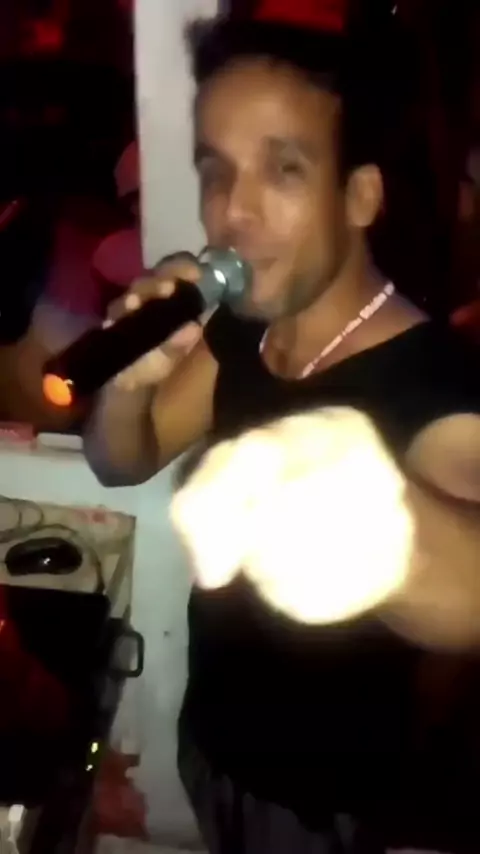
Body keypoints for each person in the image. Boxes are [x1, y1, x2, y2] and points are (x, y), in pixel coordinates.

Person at [84, 16, 480, 853]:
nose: (233, 210)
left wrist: (400, 544)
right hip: (214, 757)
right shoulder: (242, 332)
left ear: (360, 196)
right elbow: (123, 460)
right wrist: (130, 383)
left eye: (283, 169)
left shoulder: (436, 379)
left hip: (338, 815)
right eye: (215, 171)